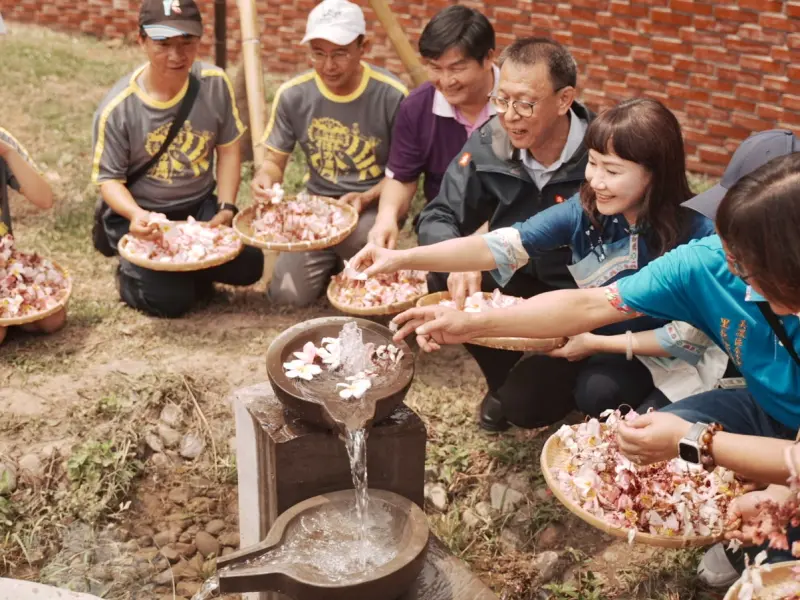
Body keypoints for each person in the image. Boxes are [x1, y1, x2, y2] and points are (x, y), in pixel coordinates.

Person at [390, 130, 800, 586]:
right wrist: (473, 323)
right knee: (653, 450)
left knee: (768, 549)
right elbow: (589, 304)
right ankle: (751, 522)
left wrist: (702, 443)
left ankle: (766, 540)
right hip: (762, 404)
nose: (732, 264)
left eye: (747, 253)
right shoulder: (709, 259)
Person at [351, 98, 723, 425]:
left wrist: (595, 343)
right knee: (522, 403)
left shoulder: (698, 236)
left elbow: (689, 338)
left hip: (665, 354)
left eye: (612, 171)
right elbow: (499, 246)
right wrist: (400, 258)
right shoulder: (586, 210)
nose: (596, 181)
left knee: (601, 396)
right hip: (585, 327)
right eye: (593, 164)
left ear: (656, 174)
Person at [412, 36, 595, 432]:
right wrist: (458, 258)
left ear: (564, 100)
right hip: (517, 274)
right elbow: (440, 214)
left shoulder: (603, 152)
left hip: (583, 296)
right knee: (446, 273)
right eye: (502, 100)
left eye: (525, 103)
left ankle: (574, 383)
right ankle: (500, 379)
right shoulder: (489, 141)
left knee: (528, 407)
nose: (510, 116)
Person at [91, 0, 264, 318]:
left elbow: (228, 149)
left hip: (198, 207)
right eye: (163, 43)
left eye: (187, 41)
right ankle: (130, 275)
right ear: (142, 40)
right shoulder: (118, 108)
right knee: (170, 302)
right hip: (145, 214)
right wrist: (136, 215)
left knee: (250, 265)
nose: (176, 55)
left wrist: (226, 207)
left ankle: (183, 271)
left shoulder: (214, 83)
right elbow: (109, 180)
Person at [250, 0, 408, 306]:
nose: (328, 65)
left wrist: (366, 197)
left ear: (364, 47)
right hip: (317, 207)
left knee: (364, 268)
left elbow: (404, 174)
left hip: (371, 206)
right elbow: (274, 162)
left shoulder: (392, 95)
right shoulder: (294, 95)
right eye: (318, 53)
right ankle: (333, 261)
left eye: (340, 53)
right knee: (286, 297)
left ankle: (348, 258)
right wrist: (265, 178)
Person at [367, 5, 498, 249]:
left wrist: (476, 247)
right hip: (444, 222)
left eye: (457, 68)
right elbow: (402, 178)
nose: (446, 81)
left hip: (508, 225)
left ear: (489, 58)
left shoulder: (519, 105)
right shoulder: (416, 107)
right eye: (435, 68)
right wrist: (386, 218)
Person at [0, 127, 64, 345]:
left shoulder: (2, 139)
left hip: (4, 266)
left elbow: (44, 198)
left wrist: (7, 152)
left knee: (52, 320)